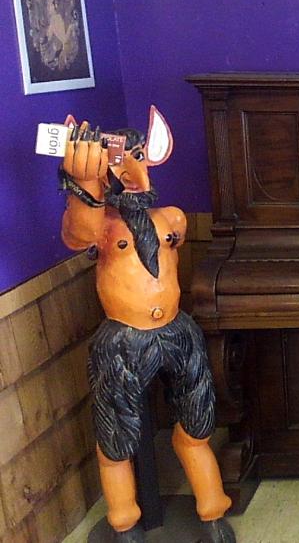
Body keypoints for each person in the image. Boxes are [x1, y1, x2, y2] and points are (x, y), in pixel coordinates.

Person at [58, 109, 235, 543]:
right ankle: (125, 521)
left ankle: (213, 511)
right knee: (116, 437)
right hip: (123, 338)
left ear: (152, 154)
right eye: (118, 160)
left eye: (134, 156)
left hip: (177, 332)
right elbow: (79, 232)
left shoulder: (171, 219)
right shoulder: (99, 227)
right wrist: (84, 186)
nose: (129, 171)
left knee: (197, 425)